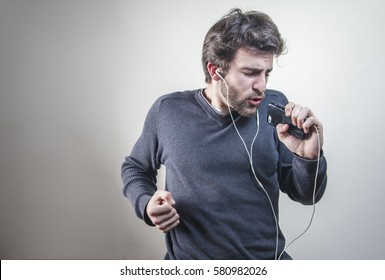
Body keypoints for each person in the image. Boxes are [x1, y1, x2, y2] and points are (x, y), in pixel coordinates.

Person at [121, 8, 327, 260]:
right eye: (250, 73)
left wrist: (309, 158)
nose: (261, 86)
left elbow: (307, 195)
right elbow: (135, 168)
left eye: (266, 73)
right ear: (215, 70)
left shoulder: (275, 108)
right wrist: (145, 203)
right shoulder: (168, 111)